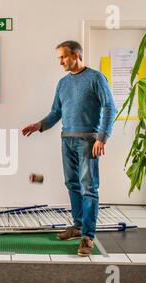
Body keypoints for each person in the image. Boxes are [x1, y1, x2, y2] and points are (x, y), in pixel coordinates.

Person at [22, 40, 117, 256]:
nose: (60, 62)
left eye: (63, 57)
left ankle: (88, 237)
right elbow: (56, 112)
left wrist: (102, 137)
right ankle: (78, 226)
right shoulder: (63, 83)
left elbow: (110, 106)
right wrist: (39, 125)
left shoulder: (95, 78)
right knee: (72, 183)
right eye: (59, 58)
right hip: (67, 140)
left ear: (76, 55)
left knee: (89, 188)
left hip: (88, 142)